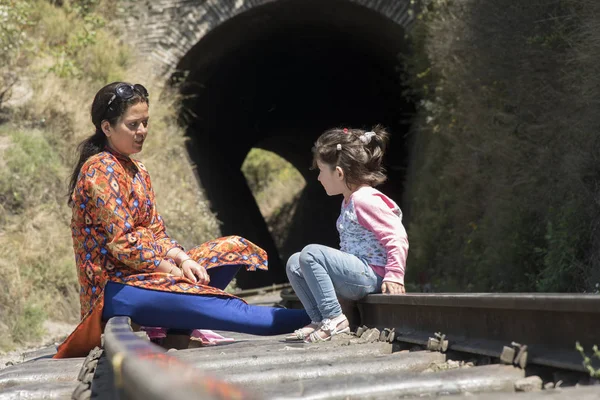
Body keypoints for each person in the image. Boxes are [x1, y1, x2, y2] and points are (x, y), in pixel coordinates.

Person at [54, 82, 309, 358]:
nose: (142, 132)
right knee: (233, 312)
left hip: (148, 275)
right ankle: (322, 316)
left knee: (234, 249)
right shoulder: (100, 170)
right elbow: (124, 244)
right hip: (115, 288)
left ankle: (177, 334)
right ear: (106, 127)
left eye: (145, 123)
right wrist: (173, 272)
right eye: (133, 125)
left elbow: (155, 231)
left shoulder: (138, 169)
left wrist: (183, 260)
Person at [285, 126, 409, 343]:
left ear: (339, 173)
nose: (319, 178)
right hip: (358, 274)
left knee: (311, 253)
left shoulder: (365, 199)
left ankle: (335, 318)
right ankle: (321, 319)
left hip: (371, 274)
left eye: (322, 171)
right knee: (295, 263)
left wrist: (394, 274)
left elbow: (396, 235)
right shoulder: (349, 202)